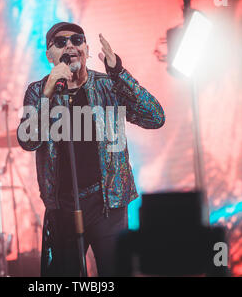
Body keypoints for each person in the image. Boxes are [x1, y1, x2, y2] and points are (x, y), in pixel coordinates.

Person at [17, 22, 165, 276]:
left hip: (108, 204)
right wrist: (48, 93)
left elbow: (155, 117)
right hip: (62, 207)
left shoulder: (108, 85)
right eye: (61, 42)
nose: (70, 46)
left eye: (77, 40)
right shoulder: (37, 91)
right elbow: (28, 141)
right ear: (49, 54)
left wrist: (118, 72)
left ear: (86, 48)